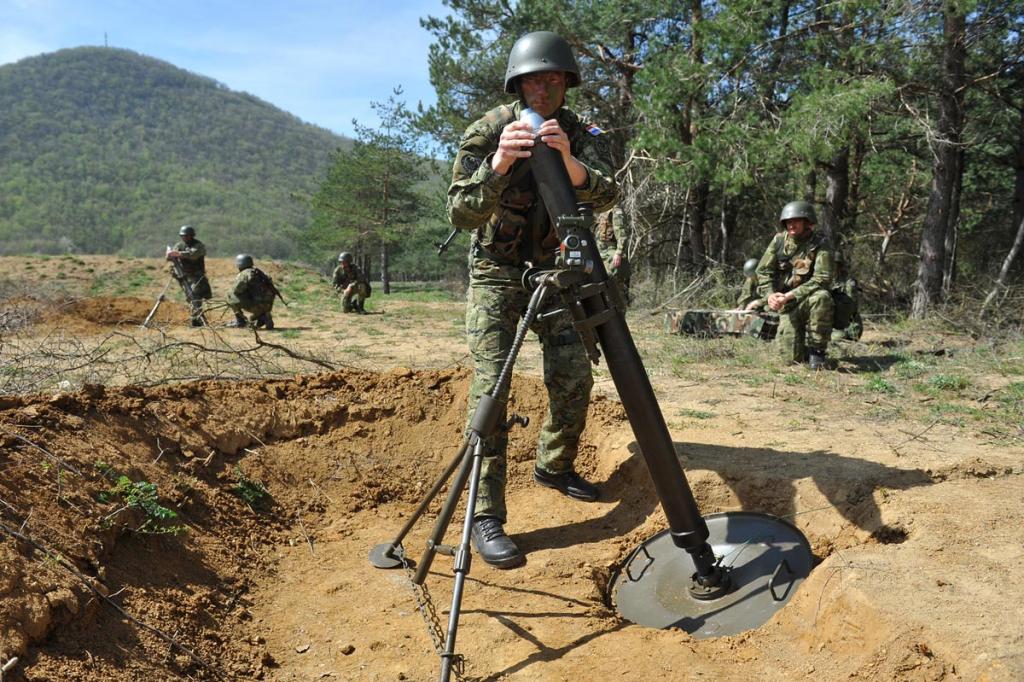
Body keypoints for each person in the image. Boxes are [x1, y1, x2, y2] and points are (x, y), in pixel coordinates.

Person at [447, 30, 618, 568]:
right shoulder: (488, 131)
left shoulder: (577, 132)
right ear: (515, 83)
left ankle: (554, 465)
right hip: (496, 272)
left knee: (574, 374)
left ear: (566, 83)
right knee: (492, 389)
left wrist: (572, 165)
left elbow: (608, 191)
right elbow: (460, 212)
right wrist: (498, 165)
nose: (542, 89)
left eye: (552, 79)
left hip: (553, 272)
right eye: (531, 80)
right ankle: (485, 515)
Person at [755, 200, 834, 369]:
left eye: (796, 221)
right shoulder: (778, 241)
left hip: (807, 299)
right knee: (790, 360)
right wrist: (770, 295)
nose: (791, 225)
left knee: (822, 297)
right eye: (788, 222)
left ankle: (817, 352)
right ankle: (802, 348)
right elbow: (763, 271)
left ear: (807, 222)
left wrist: (790, 295)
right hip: (786, 306)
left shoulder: (820, 243)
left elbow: (823, 278)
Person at [166, 225, 212, 327]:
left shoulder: (198, 245)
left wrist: (177, 254)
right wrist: (169, 255)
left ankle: (196, 320)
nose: (184, 238)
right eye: (183, 236)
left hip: (196, 276)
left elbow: (193, 255)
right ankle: (197, 318)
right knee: (189, 298)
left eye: (186, 236)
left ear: (192, 236)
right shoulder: (179, 245)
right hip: (184, 276)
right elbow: (171, 256)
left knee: (195, 296)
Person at [227, 254, 277, 329]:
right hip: (267, 306)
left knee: (230, 294)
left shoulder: (245, 274)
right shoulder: (260, 273)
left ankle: (240, 321)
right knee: (252, 318)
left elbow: (237, 290)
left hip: (256, 306)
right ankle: (262, 316)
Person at [595, 204, 630, 305]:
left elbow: (622, 234)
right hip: (601, 256)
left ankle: (620, 316)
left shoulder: (615, 210)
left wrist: (618, 253)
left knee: (617, 290)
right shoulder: (599, 210)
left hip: (612, 255)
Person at [831, 251, 863, 341]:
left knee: (837, 337)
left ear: (839, 266)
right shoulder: (824, 279)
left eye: (834, 264)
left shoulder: (849, 283)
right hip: (830, 325)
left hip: (848, 327)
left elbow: (852, 309)